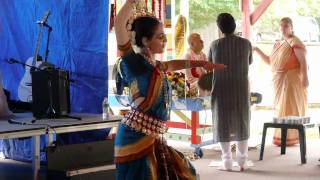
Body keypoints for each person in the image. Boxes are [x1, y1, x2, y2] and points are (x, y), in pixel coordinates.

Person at [113, 1, 225, 179]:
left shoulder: (154, 65)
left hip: (153, 136)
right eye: (160, 37)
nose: (165, 40)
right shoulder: (135, 64)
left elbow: (173, 64)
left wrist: (202, 63)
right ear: (145, 41)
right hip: (135, 138)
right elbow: (119, 23)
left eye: (164, 36)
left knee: (183, 172)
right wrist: (132, 2)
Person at [208, 13, 252, 171]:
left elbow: (209, 65)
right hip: (240, 88)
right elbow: (249, 62)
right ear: (234, 26)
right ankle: (242, 161)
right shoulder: (246, 44)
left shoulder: (215, 45)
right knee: (242, 121)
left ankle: (226, 161)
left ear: (220, 28)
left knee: (223, 122)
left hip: (221, 88)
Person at [253, 17, 308, 146]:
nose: (283, 28)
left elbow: (303, 62)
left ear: (292, 27)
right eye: (281, 26)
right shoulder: (278, 44)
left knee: (289, 108)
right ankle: (282, 138)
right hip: (279, 80)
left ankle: (291, 138)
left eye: (286, 26)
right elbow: (270, 62)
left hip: (292, 80)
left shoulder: (295, 41)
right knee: (280, 109)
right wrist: (256, 50)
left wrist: (305, 78)